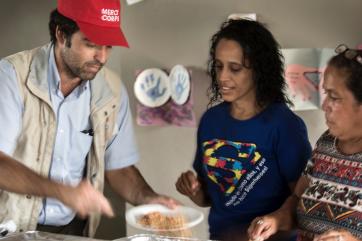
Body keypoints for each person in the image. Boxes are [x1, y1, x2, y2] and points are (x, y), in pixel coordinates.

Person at [0, 0, 177, 237]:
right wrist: (62, 191)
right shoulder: (11, 77)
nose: (102, 57)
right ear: (62, 35)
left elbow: (119, 167)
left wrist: (148, 198)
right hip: (10, 226)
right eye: (91, 44)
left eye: (109, 46)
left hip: (73, 229)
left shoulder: (111, 90)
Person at [175, 19, 312, 241]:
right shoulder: (211, 120)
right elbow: (210, 198)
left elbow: (303, 204)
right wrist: (193, 190)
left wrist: (270, 225)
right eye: (218, 66)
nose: (222, 77)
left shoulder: (284, 125)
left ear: (259, 70)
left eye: (235, 68)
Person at [247, 45, 362, 241]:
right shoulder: (326, 142)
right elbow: (297, 200)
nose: (325, 105)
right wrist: (276, 219)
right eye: (326, 94)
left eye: (334, 97)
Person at [0, 151, 114, 218]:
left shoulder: (110, 109)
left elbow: (120, 169)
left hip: (71, 225)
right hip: (12, 223)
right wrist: (62, 191)